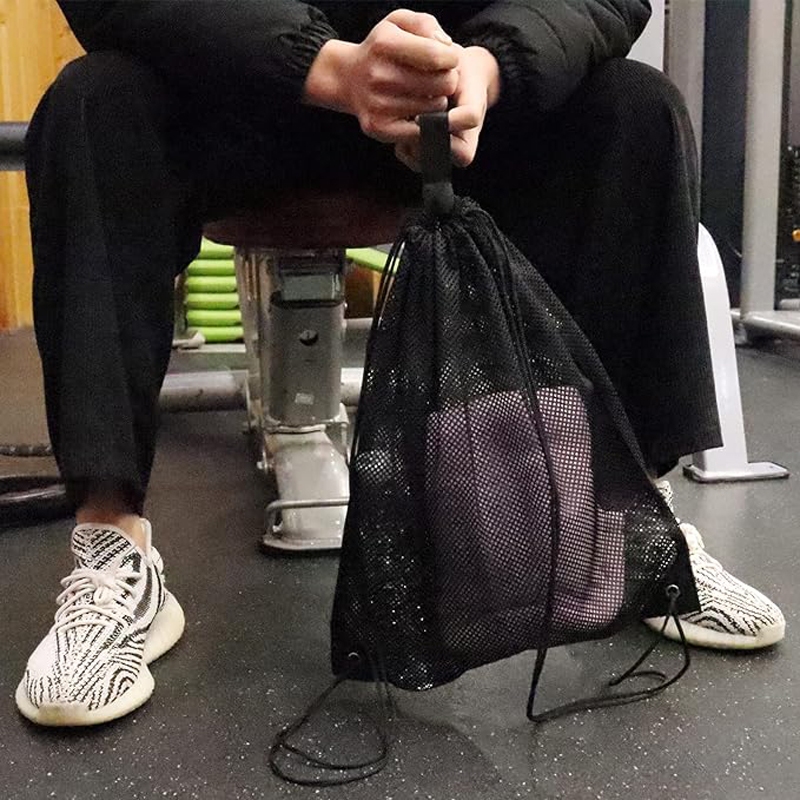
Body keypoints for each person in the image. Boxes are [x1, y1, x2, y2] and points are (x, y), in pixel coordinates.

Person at [17, 0, 785, 727]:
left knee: (634, 106)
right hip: (239, 99)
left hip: (464, 107)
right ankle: (114, 547)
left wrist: (491, 66)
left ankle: (631, 530)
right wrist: (322, 65)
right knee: (92, 102)